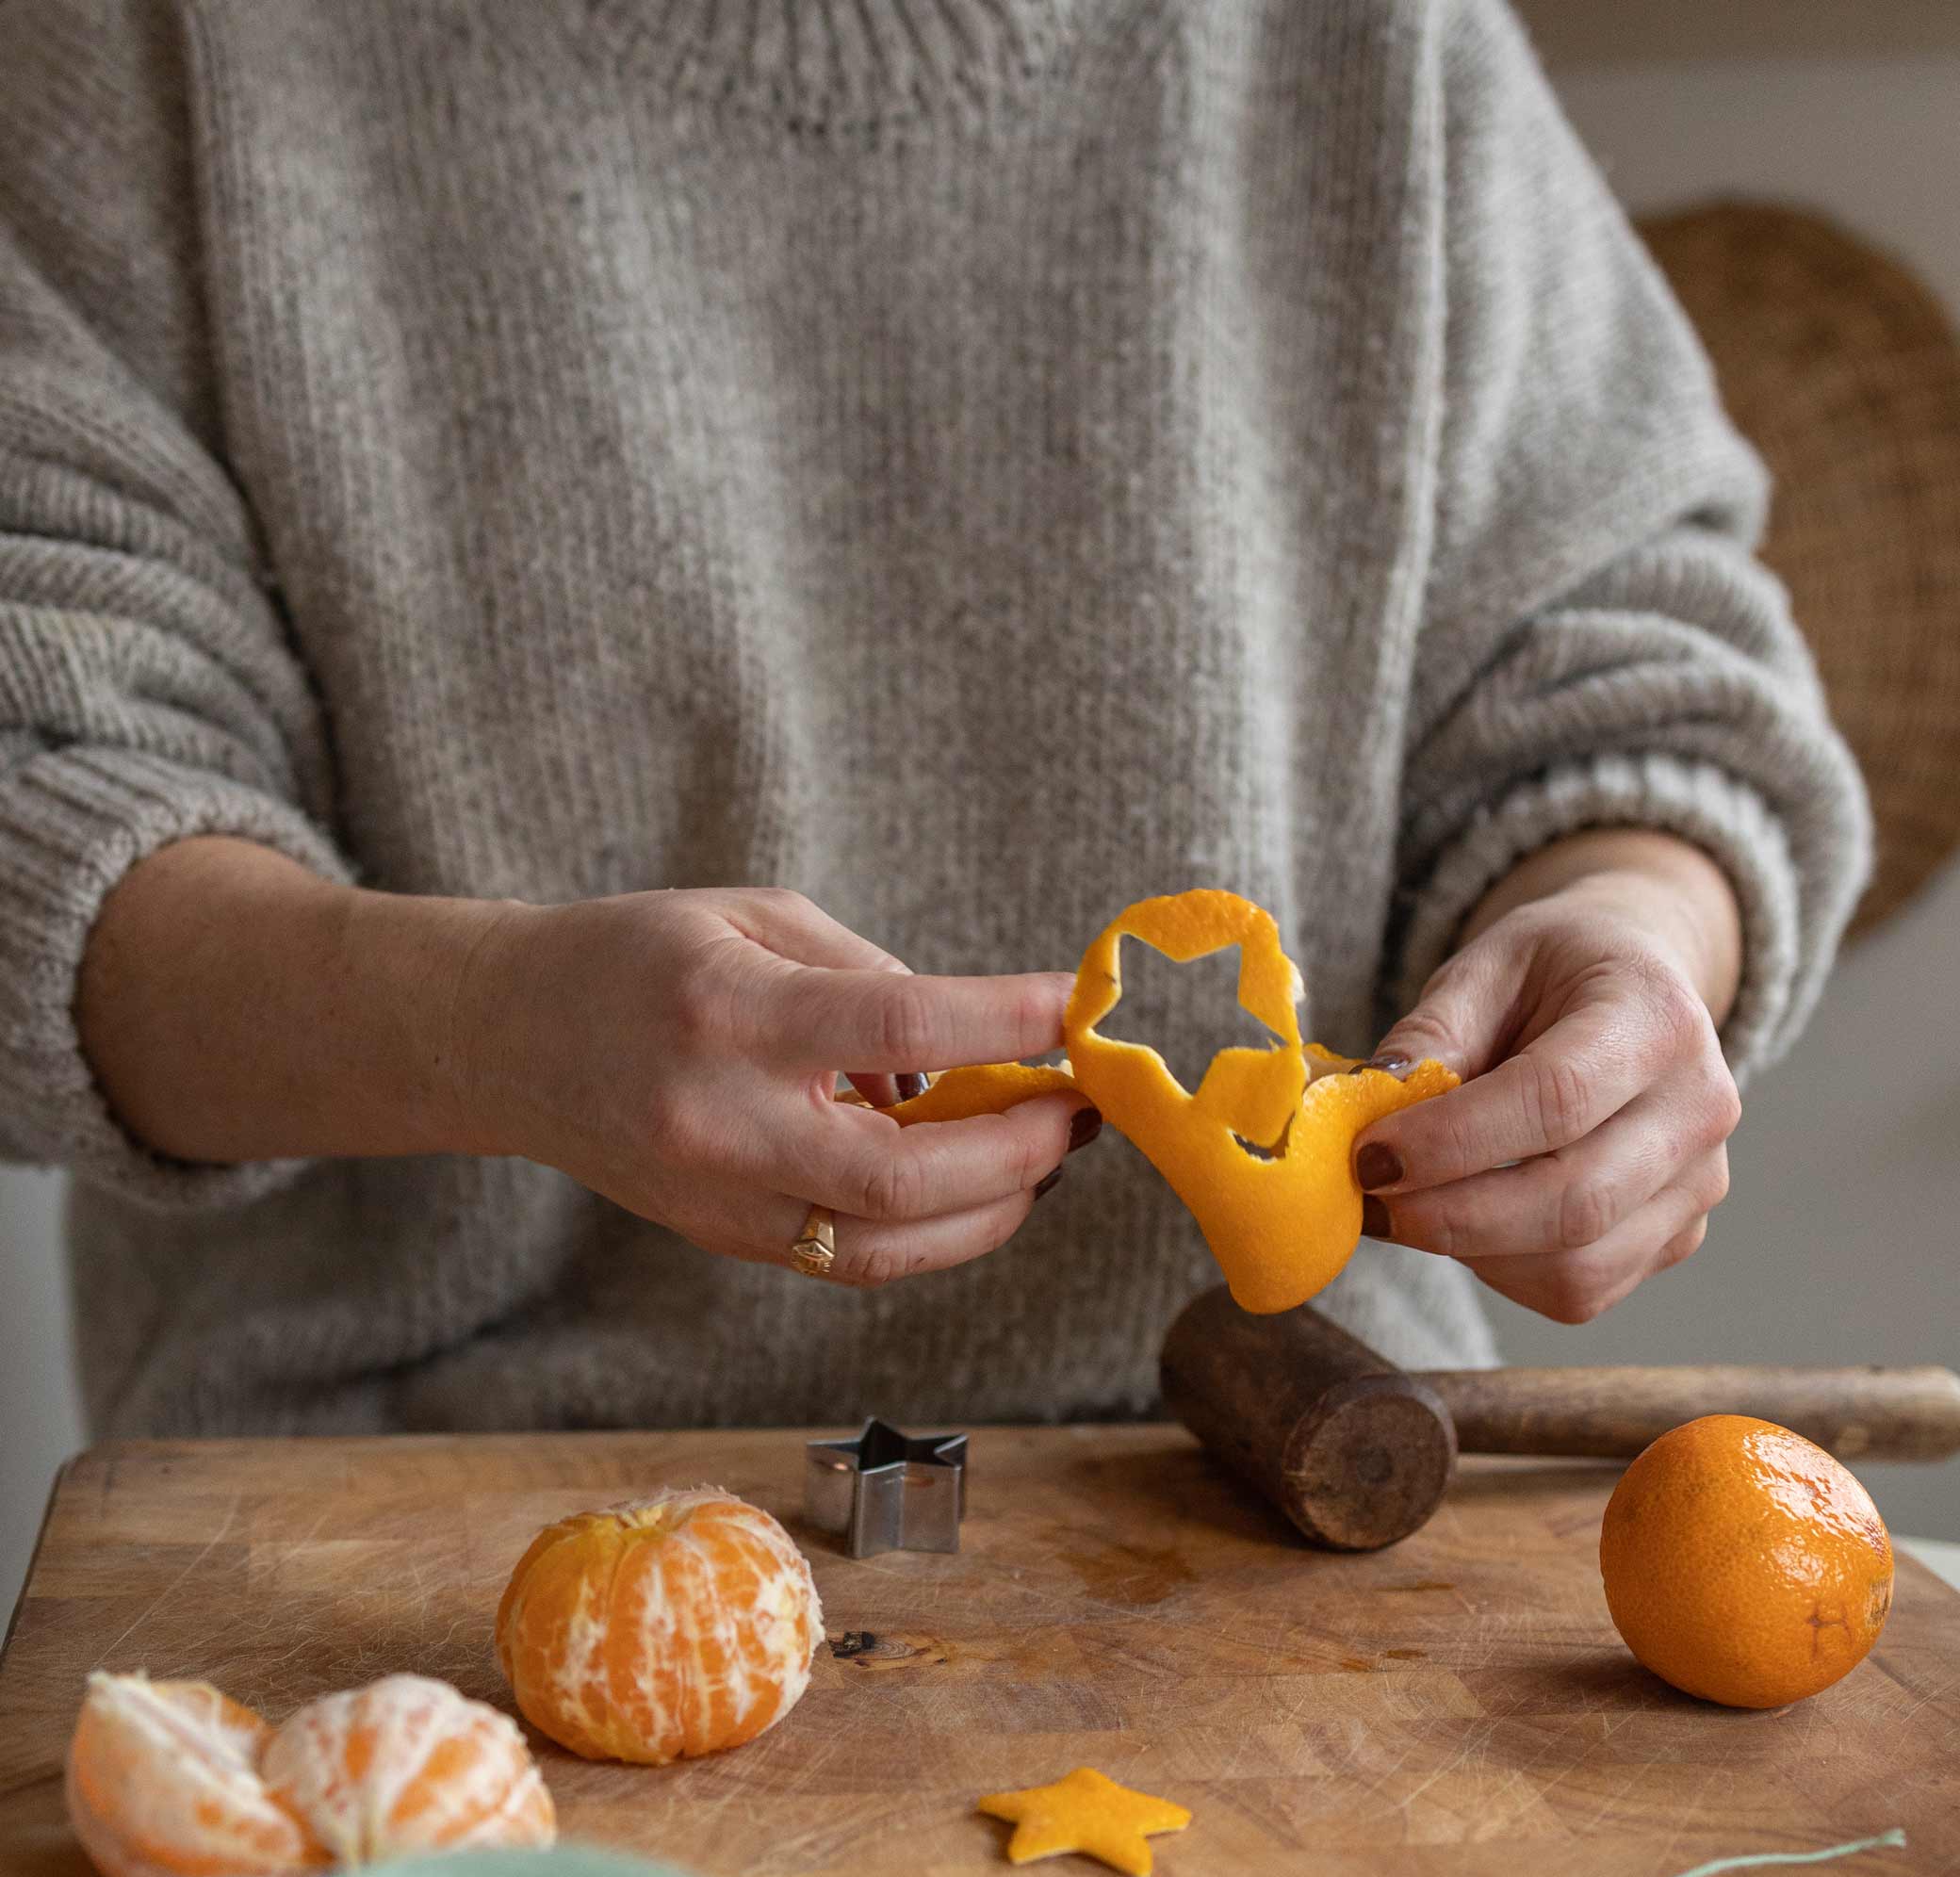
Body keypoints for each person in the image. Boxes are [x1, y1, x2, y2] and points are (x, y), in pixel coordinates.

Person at [0, 0, 1867, 1442]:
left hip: (1300, 1478)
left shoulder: (1367, 45)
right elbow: (47, 795)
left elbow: (1628, 661)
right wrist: (492, 1035)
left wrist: (1635, 936)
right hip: (398, 1540)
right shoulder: (167, 48)